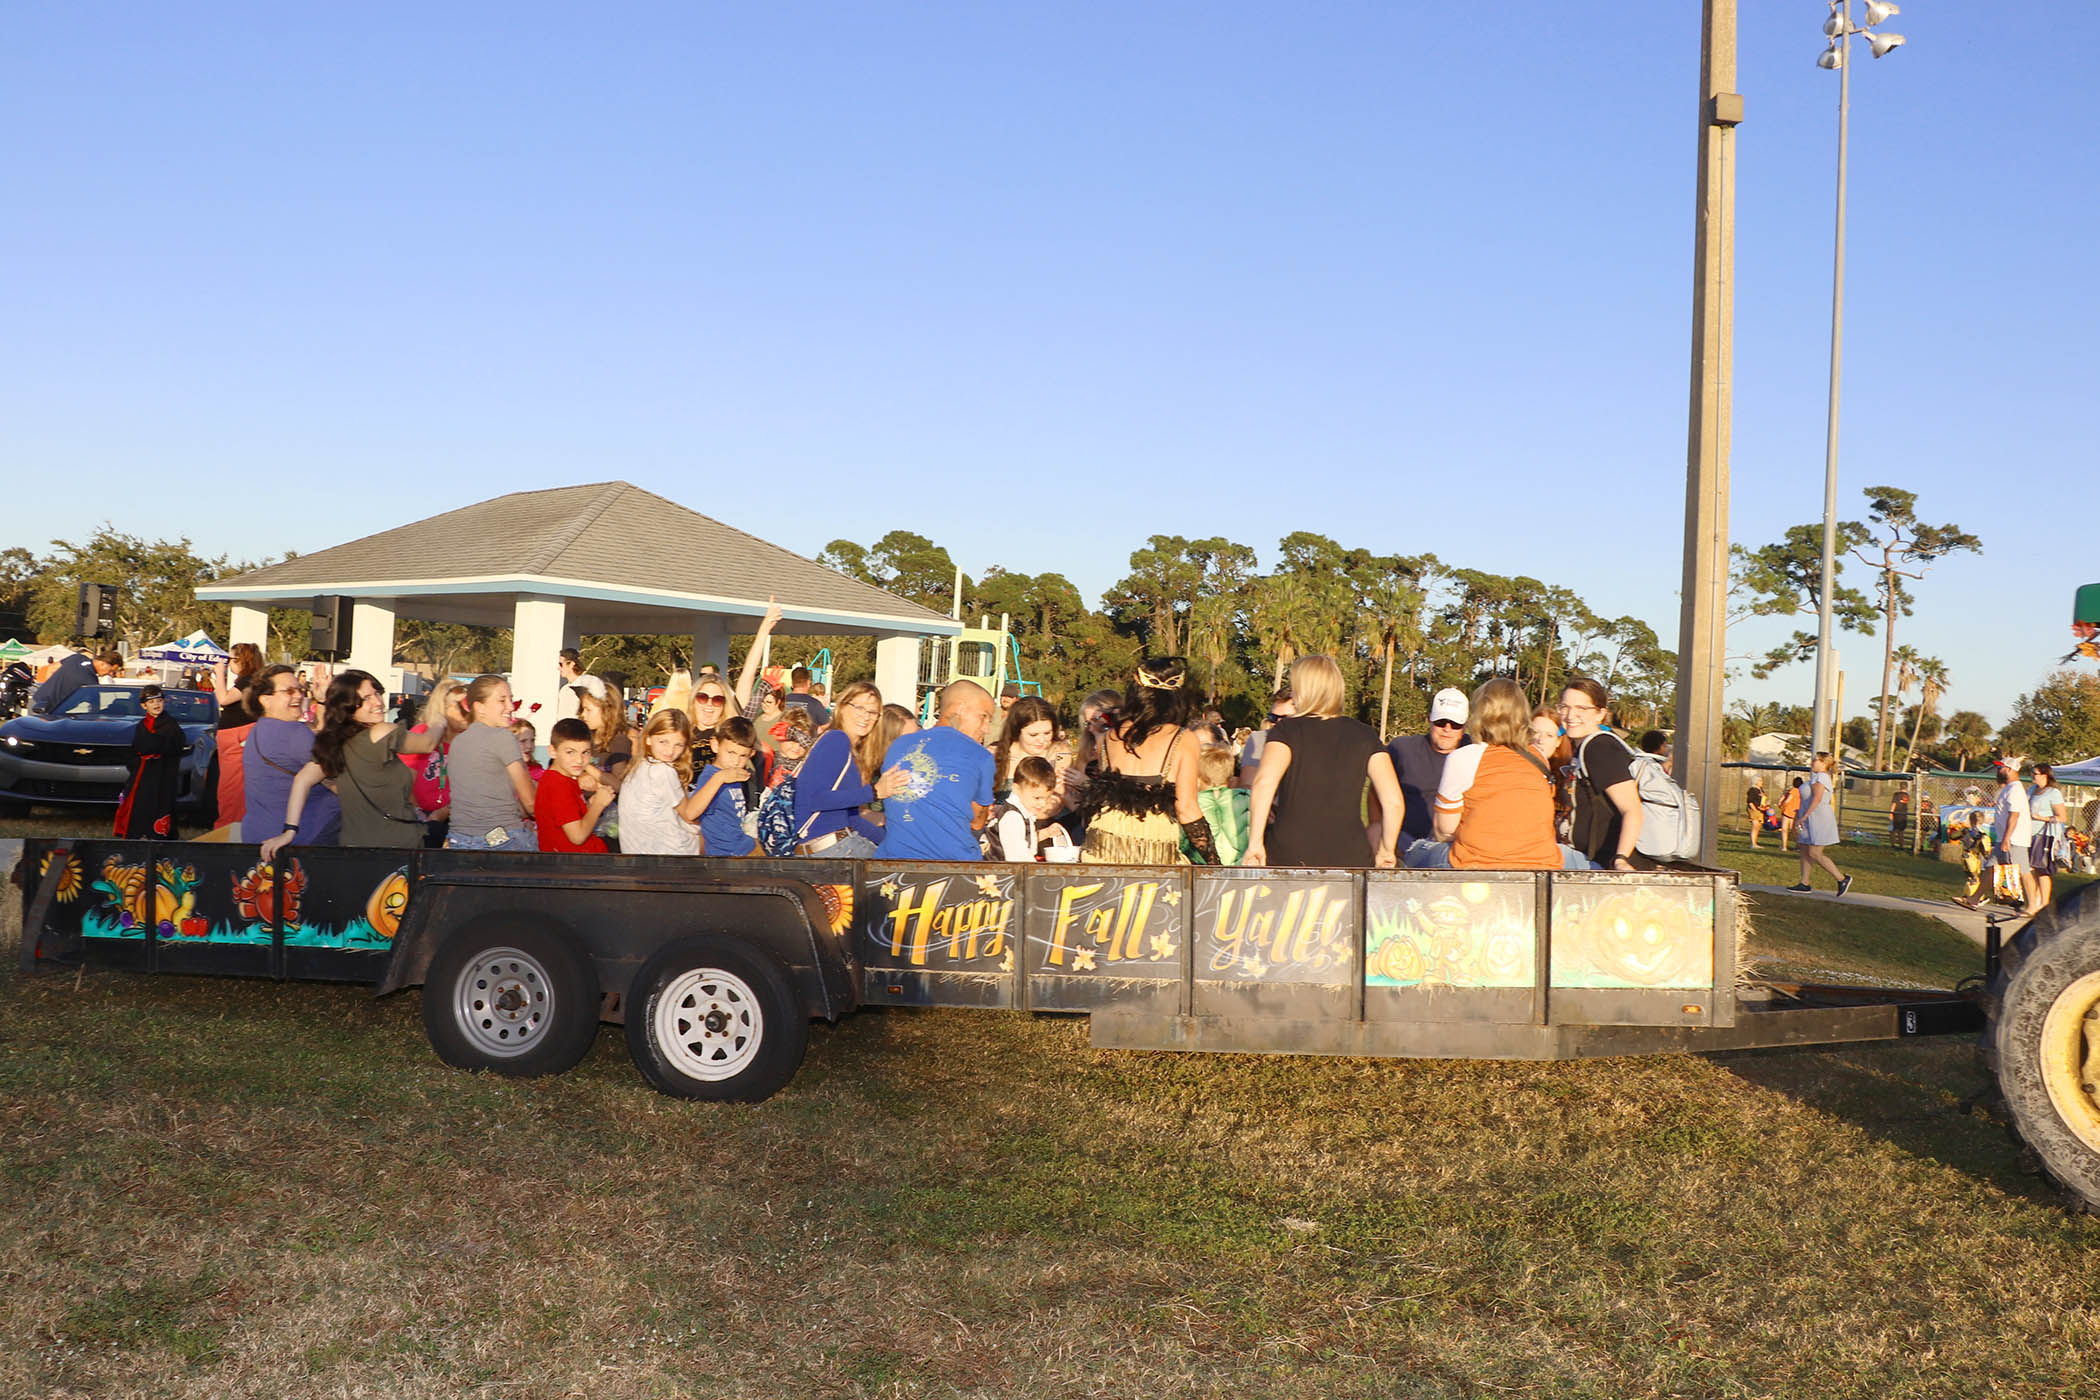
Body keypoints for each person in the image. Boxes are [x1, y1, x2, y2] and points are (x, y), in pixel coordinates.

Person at [259, 670, 447, 857]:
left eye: (376, 693)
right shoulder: (381, 732)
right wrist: (439, 719)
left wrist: (289, 831)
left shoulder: (334, 744)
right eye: (366, 698)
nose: (378, 702)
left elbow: (302, 780)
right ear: (347, 706)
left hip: (353, 849)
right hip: (398, 846)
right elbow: (428, 743)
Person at [1245, 654, 1401, 869]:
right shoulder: (1366, 735)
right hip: (1350, 856)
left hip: (1289, 854)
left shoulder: (1286, 730)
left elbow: (1263, 784)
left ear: (1302, 690)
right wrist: (1387, 850)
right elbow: (1393, 801)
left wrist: (1255, 843)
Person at [1404, 679, 1572, 870]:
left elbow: (1445, 830)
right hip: (1541, 863)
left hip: (1477, 863)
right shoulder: (1539, 758)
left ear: (1479, 714)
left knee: (1415, 851)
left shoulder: (1465, 757)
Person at [1077, 660, 1215, 865]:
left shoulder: (1109, 736)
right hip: (1153, 847)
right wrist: (1214, 861)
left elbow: (1103, 794)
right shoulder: (1183, 738)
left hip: (1105, 843)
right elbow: (1186, 807)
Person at [875, 680, 998, 861]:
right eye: (983, 716)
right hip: (953, 864)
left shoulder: (899, 745)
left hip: (892, 861)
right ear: (961, 708)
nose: (986, 728)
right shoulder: (980, 755)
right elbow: (977, 821)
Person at [791, 682, 902, 857]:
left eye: (872, 712)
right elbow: (816, 799)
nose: (865, 716)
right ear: (842, 707)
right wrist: (874, 792)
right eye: (859, 708)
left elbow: (851, 818)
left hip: (833, 846)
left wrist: (892, 844)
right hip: (833, 848)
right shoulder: (837, 740)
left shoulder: (849, 750)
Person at [242, 666, 341, 846]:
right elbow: (341, 784)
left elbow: (316, 736)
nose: (298, 696)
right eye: (289, 691)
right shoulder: (294, 733)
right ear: (265, 700)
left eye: (300, 690)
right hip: (306, 836)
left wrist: (321, 702)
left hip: (258, 833)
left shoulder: (260, 729)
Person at [443, 675, 538, 850]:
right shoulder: (502, 737)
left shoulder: (457, 742)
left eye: (511, 699)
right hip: (499, 839)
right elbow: (531, 803)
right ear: (479, 707)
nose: (511, 706)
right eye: (502, 700)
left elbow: (483, 800)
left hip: (460, 840)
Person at [1560, 676, 1645, 872]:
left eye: (1581, 708)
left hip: (1599, 864)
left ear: (1600, 714)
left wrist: (1621, 859)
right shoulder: (1582, 748)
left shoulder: (1599, 747)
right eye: (1564, 707)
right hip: (1587, 859)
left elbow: (1632, 809)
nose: (1570, 715)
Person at [1384, 688, 1472, 856]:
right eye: (1441, 722)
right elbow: (1375, 794)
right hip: (1406, 842)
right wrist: (1384, 837)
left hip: (1457, 846)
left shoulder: (1475, 753)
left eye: (1455, 724)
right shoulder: (1402, 749)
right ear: (1429, 719)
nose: (1447, 729)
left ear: (1465, 726)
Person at [619, 710, 701, 856]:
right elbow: (689, 816)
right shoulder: (663, 771)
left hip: (635, 850)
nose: (670, 751)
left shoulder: (639, 766)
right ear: (648, 739)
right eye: (663, 742)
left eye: (678, 745)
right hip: (667, 852)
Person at [113, 685, 187, 839]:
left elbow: (174, 746)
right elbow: (138, 747)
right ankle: (138, 833)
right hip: (143, 774)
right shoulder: (142, 725)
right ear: (144, 706)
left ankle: (159, 835)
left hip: (162, 774)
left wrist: (154, 747)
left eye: (159, 701)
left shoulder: (171, 725)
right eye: (151, 702)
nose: (156, 705)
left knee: (160, 804)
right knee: (140, 804)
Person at [401, 676, 468, 845]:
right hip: (419, 817)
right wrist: (419, 813)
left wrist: (445, 811)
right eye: (459, 705)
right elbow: (405, 780)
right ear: (442, 708)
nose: (466, 711)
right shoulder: (422, 734)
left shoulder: (470, 740)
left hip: (458, 818)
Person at [534, 717, 615, 854]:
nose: (579, 760)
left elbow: (569, 819)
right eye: (570, 752)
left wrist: (591, 804)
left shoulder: (565, 780)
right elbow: (577, 836)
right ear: (552, 751)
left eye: (585, 752)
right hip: (573, 862)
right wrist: (598, 805)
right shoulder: (557, 785)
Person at [1958, 757, 2030, 910]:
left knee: (2023, 873)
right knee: (1991, 869)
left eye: (2001, 768)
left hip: (2014, 839)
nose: (1998, 771)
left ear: (2010, 770)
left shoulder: (2015, 790)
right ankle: (1973, 900)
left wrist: (2007, 838)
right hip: (2004, 838)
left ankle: (2035, 906)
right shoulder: (2008, 788)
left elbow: (2014, 815)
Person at [684, 717, 761, 857]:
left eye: (743, 756)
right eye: (731, 753)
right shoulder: (712, 776)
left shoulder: (733, 774)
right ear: (715, 745)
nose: (736, 761)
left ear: (751, 754)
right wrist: (719, 778)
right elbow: (691, 813)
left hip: (740, 845)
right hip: (726, 853)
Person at [1786, 751, 1851, 895]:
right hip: (1808, 819)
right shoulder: (1815, 777)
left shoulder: (1822, 777)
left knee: (1815, 852)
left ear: (1823, 763)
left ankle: (1842, 878)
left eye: (1816, 760)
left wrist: (1805, 816)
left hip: (1818, 819)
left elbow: (1817, 799)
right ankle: (1804, 883)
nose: (1812, 762)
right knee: (1804, 850)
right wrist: (1800, 815)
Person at [984, 755, 1061, 861]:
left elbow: (1024, 839)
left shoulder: (1024, 812)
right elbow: (1017, 858)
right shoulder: (1012, 817)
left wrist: (1046, 833)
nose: (1043, 804)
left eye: (1047, 798)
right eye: (1037, 798)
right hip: (1000, 870)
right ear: (1016, 789)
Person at [992, 696, 1061, 797]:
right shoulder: (996, 754)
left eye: (1047, 733)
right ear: (1017, 731)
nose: (1041, 740)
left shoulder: (1058, 755)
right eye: (1033, 735)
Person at [1195, 743, 1251, 866]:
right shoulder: (1247, 799)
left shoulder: (1194, 803)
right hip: (1240, 867)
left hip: (1202, 868)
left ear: (1197, 779)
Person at [2024, 762, 2066, 915]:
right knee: (2030, 869)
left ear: (2045, 775)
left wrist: (2041, 818)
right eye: (2032, 773)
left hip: (2044, 834)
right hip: (2028, 833)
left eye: (2035, 773)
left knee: (2042, 869)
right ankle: (2033, 903)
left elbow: (2062, 817)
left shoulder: (2053, 793)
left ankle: (2044, 904)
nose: (2032, 776)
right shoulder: (2031, 790)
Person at [31, 647, 123, 715]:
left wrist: (48, 688)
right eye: (111, 671)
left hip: (36, 701)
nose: (110, 674)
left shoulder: (77, 658)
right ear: (103, 664)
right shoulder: (91, 682)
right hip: (46, 712)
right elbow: (95, 706)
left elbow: (51, 668)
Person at [1237, 688, 1295, 789]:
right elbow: (1248, 785)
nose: (1277, 723)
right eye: (1273, 717)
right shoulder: (1258, 739)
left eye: (1285, 718)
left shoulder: (1314, 744)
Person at [553, 648, 607, 724]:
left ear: (572, 664)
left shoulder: (588, 684)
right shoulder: (564, 689)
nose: (559, 668)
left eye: (561, 664)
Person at [1779, 778, 1803, 852]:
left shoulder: (1794, 791)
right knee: (1794, 831)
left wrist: (1782, 805)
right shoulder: (1802, 792)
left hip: (1788, 811)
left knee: (1784, 829)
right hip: (1795, 813)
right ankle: (1798, 846)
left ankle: (1784, 846)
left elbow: (1787, 800)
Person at [1745, 777, 1769, 851]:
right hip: (1754, 810)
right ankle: (1753, 844)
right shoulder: (1752, 790)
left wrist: (1765, 806)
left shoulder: (1760, 789)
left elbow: (1763, 799)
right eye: (1760, 780)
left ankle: (1755, 843)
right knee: (1755, 826)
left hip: (1761, 810)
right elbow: (1750, 801)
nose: (1762, 782)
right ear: (1755, 781)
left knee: (1758, 827)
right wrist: (1755, 809)